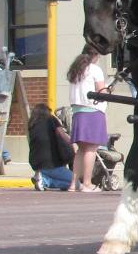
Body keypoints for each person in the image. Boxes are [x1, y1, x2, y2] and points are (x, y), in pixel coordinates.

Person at [66, 44, 108, 192]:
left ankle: (73, 183)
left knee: (81, 150)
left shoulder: (76, 69)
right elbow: (101, 92)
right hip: (93, 110)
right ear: (96, 55)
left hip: (77, 111)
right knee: (91, 148)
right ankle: (87, 183)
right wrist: (109, 90)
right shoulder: (95, 70)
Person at [27, 104, 75, 191]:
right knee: (76, 183)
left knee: (70, 183)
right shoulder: (51, 119)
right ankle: (45, 181)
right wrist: (74, 143)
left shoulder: (31, 124)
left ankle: (42, 177)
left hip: (36, 164)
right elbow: (63, 135)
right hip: (52, 164)